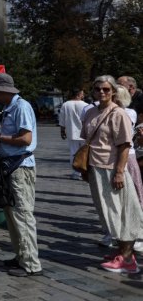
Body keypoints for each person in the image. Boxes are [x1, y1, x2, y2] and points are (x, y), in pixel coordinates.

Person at [79, 76, 143, 274]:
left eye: (106, 89)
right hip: (95, 167)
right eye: (98, 89)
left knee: (121, 212)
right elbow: (87, 138)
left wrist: (119, 172)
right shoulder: (90, 111)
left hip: (112, 168)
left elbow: (125, 145)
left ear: (113, 91)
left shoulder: (119, 114)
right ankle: (122, 252)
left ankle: (127, 259)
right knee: (107, 212)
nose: (102, 93)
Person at [0, 73, 42, 278]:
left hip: (20, 166)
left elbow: (26, 138)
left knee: (22, 214)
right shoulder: (9, 108)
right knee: (12, 215)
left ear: (3, 91)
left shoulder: (21, 107)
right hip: (10, 167)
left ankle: (31, 263)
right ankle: (21, 256)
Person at [60, 89, 89, 180]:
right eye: (82, 94)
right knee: (85, 153)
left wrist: (62, 130)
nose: (83, 95)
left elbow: (62, 119)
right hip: (84, 133)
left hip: (71, 132)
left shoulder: (65, 105)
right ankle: (85, 171)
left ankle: (76, 172)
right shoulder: (86, 105)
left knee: (73, 153)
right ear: (79, 94)